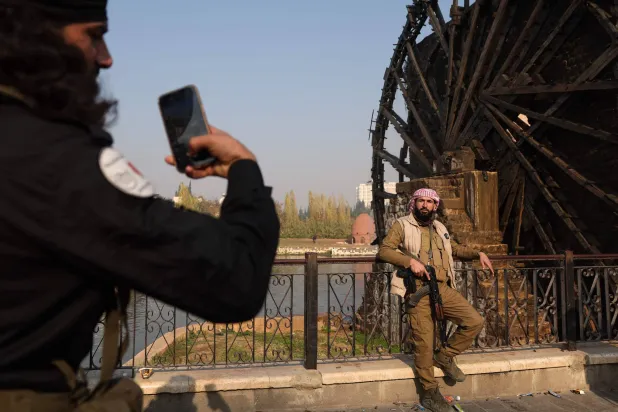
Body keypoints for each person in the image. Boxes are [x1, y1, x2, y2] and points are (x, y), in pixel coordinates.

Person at [0, 0, 279, 410]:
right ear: (33, 33)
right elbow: (236, 277)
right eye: (93, 35)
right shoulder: (53, 161)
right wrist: (244, 168)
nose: (106, 58)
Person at [377, 188, 493, 412]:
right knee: (423, 344)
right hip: (417, 291)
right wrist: (409, 262)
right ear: (415, 203)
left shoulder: (439, 227)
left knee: (474, 321)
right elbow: (384, 250)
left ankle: (445, 356)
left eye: (429, 202)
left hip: (441, 288)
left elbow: (454, 249)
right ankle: (429, 394)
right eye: (421, 201)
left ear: (435, 205)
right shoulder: (402, 225)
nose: (425, 205)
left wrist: (477, 254)